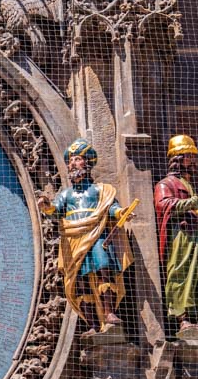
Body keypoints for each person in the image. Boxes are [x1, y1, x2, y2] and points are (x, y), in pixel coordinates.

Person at [37, 139, 133, 333]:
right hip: (74, 239)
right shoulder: (67, 194)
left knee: (104, 269)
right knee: (79, 281)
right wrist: (47, 206)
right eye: (71, 161)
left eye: (77, 159)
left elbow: (110, 207)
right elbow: (56, 211)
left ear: (87, 163)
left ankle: (109, 313)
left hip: (97, 235)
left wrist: (120, 213)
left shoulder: (99, 190)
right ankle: (92, 324)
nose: (72, 164)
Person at [154, 134, 198, 334]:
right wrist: (196, 202)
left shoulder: (190, 187)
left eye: (193, 156)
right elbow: (163, 204)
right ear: (177, 159)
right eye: (188, 156)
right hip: (181, 238)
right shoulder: (166, 184)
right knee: (182, 275)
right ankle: (183, 319)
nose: (193, 161)